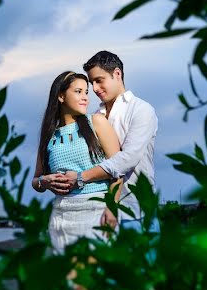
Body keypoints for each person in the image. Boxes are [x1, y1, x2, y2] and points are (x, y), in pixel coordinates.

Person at [61, 51, 159, 233]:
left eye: (99, 80)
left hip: (136, 211)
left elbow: (128, 159)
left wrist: (81, 177)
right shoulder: (95, 117)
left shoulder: (142, 110)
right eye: (92, 83)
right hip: (98, 212)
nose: (95, 88)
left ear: (117, 74)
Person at [31, 70, 123, 254]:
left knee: (93, 277)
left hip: (97, 210)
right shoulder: (49, 135)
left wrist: (112, 209)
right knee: (66, 278)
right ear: (61, 96)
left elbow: (118, 169)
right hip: (61, 213)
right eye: (78, 92)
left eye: (86, 92)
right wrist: (45, 182)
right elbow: (36, 181)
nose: (85, 98)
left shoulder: (96, 122)